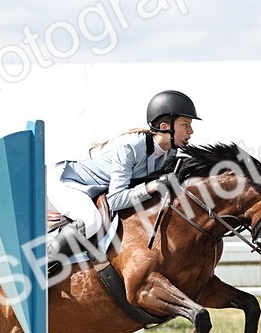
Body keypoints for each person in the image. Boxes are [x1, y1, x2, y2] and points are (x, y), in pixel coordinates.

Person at [45, 90, 199, 271]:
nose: (191, 131)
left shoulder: (170, 152)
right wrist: (152, 186)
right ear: (165, 127)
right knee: (91, 220)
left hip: (96, 189)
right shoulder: (130, 147)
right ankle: (41, 266)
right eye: (185, 124)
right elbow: (116, 200)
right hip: (68, 182)